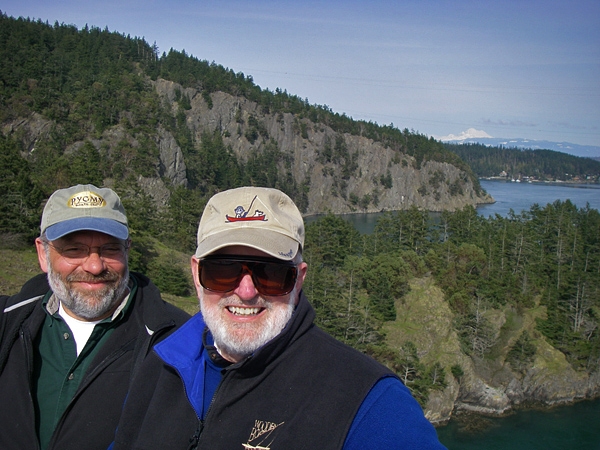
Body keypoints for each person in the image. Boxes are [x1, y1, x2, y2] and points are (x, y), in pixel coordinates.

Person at [111, 186, 446, 449]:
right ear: (197, 274)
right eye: (223, 271)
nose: (245, 291)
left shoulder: (366, 401)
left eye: (270, 273)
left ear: (298, 280)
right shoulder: (159, 363)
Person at [0, 184, 190, 450]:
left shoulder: (178, 341)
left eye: (110, 249)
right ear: (43, 254)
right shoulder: (7, 323)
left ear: (127, 250)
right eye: (74, 250)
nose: (94, 266)